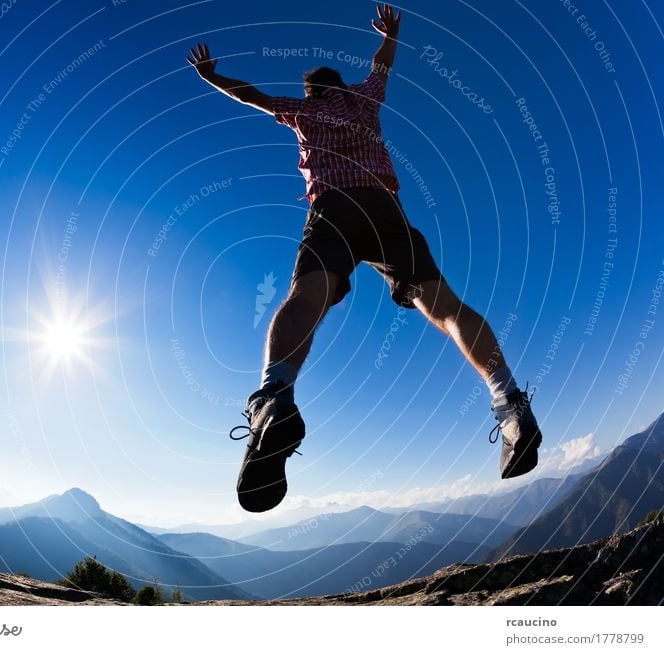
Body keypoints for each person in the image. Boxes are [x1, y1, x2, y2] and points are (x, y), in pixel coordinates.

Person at [187, 4, 542, 513]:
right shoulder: (364, 101)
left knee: (309, 293)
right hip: (384, 209)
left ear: (311, 91)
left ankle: (273, 399)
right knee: (443, 306)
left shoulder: (303, 110)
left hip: (334, 207)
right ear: (342, 85)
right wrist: (392, 35)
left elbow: (253, 96)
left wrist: (212, 76)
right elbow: (382, 68)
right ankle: (509, 402)